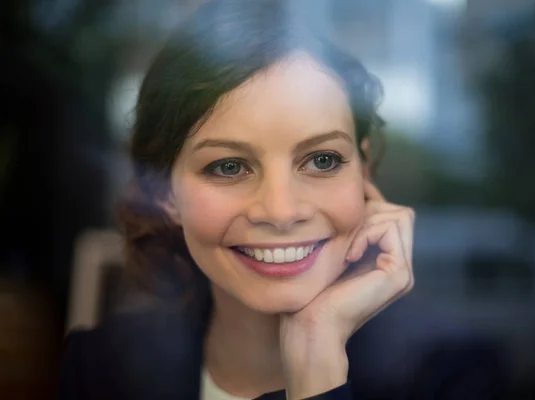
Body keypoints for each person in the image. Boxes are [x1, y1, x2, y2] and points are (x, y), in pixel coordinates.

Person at [60, 1, 507, 399]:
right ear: (165, 193)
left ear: (363, 171)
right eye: (228, 167)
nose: (280, 211)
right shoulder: (98, 367)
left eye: (322, 160)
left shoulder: (448, 375)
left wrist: (317, 363)